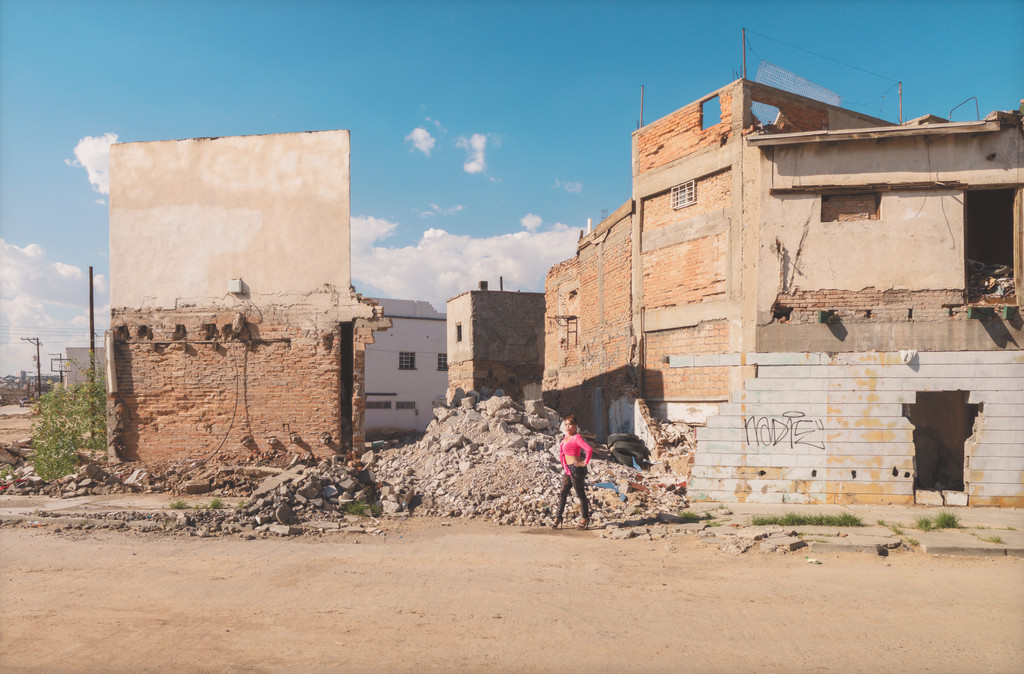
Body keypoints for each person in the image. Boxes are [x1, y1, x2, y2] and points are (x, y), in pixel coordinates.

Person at [553, 413, 593, 529]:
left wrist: (584, 462)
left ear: (575, 426)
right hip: (568, 469)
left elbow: (588, 449)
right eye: (566, 425)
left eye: (570, 425)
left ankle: (585, 518)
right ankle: (558, 516)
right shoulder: (566, 437)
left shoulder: (577, 437)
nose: (568, 427)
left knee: (580, 494)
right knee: (563, 492)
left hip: (576, 469)